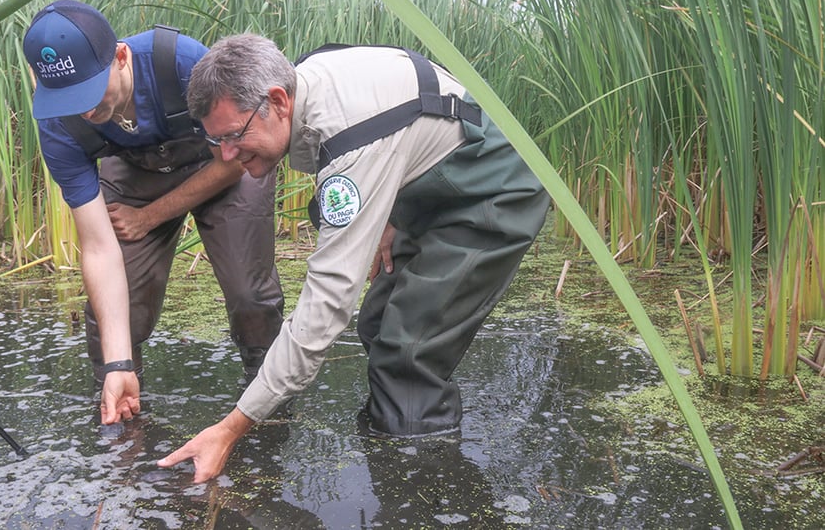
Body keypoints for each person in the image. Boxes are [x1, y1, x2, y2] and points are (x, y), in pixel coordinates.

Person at [157, 34, 549, 482]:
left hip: (492, 196)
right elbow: (411, 125)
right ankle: (397, 443)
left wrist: (232, 426)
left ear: (278, 101)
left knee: (407, 355)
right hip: (430, 192)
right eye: (215, 140)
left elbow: (327, 303)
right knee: (378, 324)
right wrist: (388, 210)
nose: (227, 156)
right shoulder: (305, 79)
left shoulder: (352, 138)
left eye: (234, 136)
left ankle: (423, 480)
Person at [22, 1, 284, 426]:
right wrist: (117, 365)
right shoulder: (58, 124)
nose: (85, 112)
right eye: (68, 99)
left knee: (248, 293)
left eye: (89, 92)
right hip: (136, 170)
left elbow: (235, 158)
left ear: (121, 57)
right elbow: (97, 246)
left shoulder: (179, 62)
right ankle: (121, 409)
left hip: (221, 160)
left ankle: (269, 406)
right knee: (115, 303)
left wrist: (151, 217)